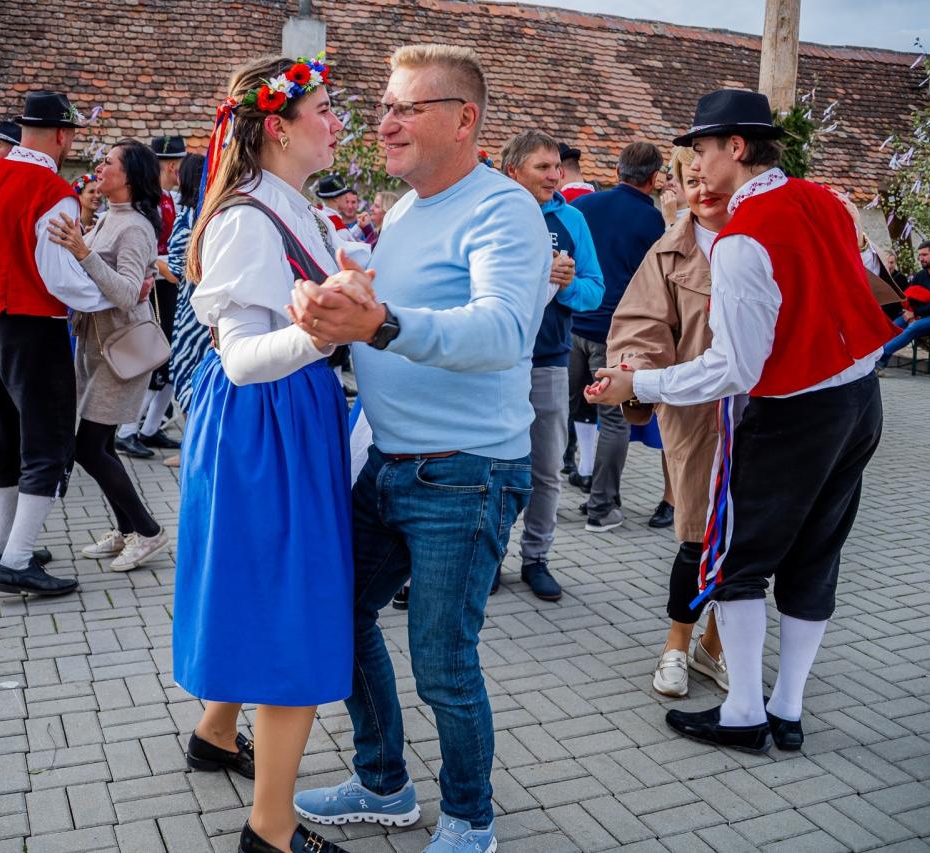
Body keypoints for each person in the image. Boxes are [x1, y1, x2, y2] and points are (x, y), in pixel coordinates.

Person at [290, 44, 552, 853]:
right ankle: (383, 783)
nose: (386, 123)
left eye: (408, 107)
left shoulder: (503, 210)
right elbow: (392, 305)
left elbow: (502, 330)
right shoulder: (405, 210)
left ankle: (471, 818)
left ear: (463, 120)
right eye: (386, 107)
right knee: (337, 615)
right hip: (389, 461)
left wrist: (381, 323)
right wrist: (347, 295)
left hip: (466, 473)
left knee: (442, 662)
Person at [587, 89, 897, 755]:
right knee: (816, 557)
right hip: (859, 401)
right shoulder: (823, 200)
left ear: (735, 146)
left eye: (701, 149)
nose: (695, 165)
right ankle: (786, 709)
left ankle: (743, 712)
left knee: (735, 560)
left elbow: (735, 368)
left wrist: (641, 383)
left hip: (791, 414)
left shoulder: (742, 239)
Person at [173, 53, 364, 853]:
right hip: (266, 423)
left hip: (284, 417)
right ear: (279, 127)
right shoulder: (249, 217)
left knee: (261, 589)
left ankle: (217, 731)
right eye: (324, 109)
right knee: (294, 613)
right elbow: (244, 357)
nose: (337, 122)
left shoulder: (294, 206)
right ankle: (272, 830)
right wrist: (328, 329)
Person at [0, 89, 102, 598]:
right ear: (61, 134)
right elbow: (58, 275)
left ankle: (3, 547)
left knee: (0, 433)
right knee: (48, 439)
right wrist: (108, 296)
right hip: (34, 324)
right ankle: (16, 560)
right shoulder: (53, 189)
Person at [605, 145, 727, 698]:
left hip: (765, 416)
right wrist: (632, 371)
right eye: (688, 181)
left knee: (749, 544)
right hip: (696, 413)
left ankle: (715, 646)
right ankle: (676, 644)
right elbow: (641, 326)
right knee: (697, 537)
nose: (701, 190)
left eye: (709, 178)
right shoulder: (669, 252)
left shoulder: (767, 241)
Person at [48, 140, 171, 571]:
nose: (99, 167)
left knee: (88, 447)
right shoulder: (108, 217)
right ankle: (127, 529)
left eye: (109, 162)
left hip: (121, 349)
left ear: (130, 175)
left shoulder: (134, 226)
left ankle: (149, 530)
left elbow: (125, 292)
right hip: (97, 344)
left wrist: (82, 252)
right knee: (98, 445)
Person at [499, 128, 603, 601]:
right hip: (496, 361)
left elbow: (594, 290)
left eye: (557, 167)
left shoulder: (571, 219)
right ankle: (490, 557)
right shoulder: (491, 212)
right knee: (496, 467)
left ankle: (536, 558)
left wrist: (565, 286)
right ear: (513, 170)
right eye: (542, 167)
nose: (555, 176)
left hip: (548, 360)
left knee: (544, 468)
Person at [571, 141, 667, 532]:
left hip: (573, 323)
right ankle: (601, 506)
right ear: (654, 178)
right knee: (614, 421)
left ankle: (540, 504)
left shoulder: (583, 206)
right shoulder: (653, 220)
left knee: (557, 416)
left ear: (617, 171)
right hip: (616, 333)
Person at [113, 137, 183, 458]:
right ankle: (126, 431)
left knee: (169, 358)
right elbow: (147, 250)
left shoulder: (170, 198)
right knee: (153, 358)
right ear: (172, 165)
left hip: (169, 284)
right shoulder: (147, 201)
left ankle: (150, 428)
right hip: (154, 285)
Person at [167, 153, 210, 416]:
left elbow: (175, 271)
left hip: (191, 310)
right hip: (209, 308)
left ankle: (192, 439)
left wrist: (153, 261)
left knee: (188, 373)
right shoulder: (213, 214)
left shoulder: (187, 217)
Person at [877, 239, 930, 375]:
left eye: (925, 255)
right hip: (918, 314)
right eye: (919, 255)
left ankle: (878, 360)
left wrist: (915, 314)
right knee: (893, 326)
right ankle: (876, 362)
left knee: (913, 328)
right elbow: (909, 296)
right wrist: (910, 312)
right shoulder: (921, 275)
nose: (921, 258)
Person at [313, 174, 358, 239]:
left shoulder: (318, 215)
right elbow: (345, 237)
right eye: (344, 194)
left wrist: (358, 227)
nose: (347, 197)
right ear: (336, 198)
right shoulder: (339, 228)